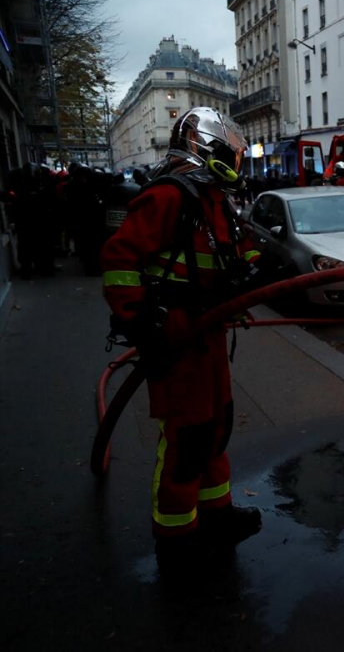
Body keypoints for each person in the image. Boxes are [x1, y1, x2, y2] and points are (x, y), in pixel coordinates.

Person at [100, 107, 263, 572]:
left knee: (216, 427)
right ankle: (176, 539)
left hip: (207, 332)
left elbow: (236, 244)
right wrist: (141, 323)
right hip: (176, 334)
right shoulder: (170, 196)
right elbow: (119, 260)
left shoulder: (213, 199)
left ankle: (215, 514)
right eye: (230, 152)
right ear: (207, 150)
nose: (235, 161)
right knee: (187, 437)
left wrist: (252, 266)